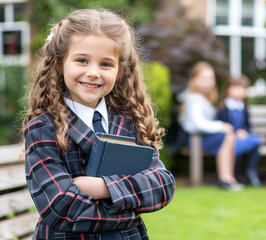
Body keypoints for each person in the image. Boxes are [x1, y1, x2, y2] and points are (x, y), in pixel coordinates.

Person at [22, 9, 175, 240]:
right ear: (60, 64)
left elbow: (162, 185)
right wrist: (130, 211)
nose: (93, 73)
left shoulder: (130, 121)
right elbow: (60, 207)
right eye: (82, 60)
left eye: (106, 64)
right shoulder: (44, 127)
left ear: (119, 71)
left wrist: (102, 187)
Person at [179, 61, 243, 191]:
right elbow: (198, 124)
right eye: (203, 78)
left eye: (210, 79)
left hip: (201, 138)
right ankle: (226, 178)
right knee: (228, 135)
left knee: (228, 136)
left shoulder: (203, 99)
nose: (207, 82)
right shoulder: (194, 99)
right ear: (193, 80)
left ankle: (228, 178)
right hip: (194, 139)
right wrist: (220, 126)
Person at [218, 75, 262, 186]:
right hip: (229, 138)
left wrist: (244, 131)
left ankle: (250, 170)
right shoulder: (223, 107)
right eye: (235, 88)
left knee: (257, 140)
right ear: (228, 90)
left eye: (242, 88)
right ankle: (232, 174)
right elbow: (222, 124)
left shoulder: (244, 107)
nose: (239, 91)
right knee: (235, 146)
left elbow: (247, 125)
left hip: (242, 137)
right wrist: (234, 132)